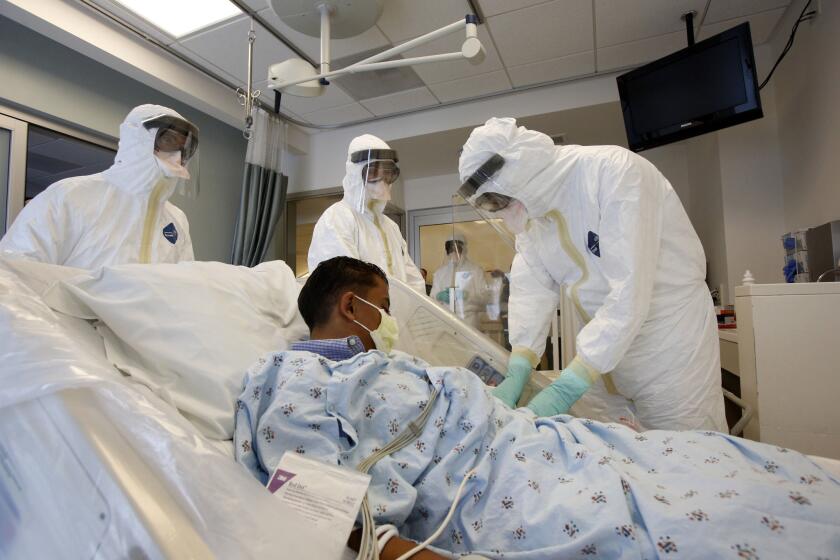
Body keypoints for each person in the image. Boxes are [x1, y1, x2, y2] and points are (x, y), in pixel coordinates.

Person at [234, 257, 840, 559]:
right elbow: (313, 501)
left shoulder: (392, 364)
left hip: (543, 445)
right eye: (383, 306)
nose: (391, 320)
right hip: (500, 489)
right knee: (704, 522)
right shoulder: (294, 376)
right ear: (350, 306)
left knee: (713, 460)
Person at [458, 117, 726, 431]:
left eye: (497, 201)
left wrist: (567, 386)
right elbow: (531, 288)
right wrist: (519, 363)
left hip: (667, 350)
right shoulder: (534, 214)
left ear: (520, 171)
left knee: (687, 457)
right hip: (599, 355)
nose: (500, 212)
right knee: (606, 455)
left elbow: (630, 290)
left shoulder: (614, 173)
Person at [0, 104, 196, 268]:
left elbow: (181, 288)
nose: (177, 157)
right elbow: (14, 273)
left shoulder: (177, 220)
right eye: (169, 140)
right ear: (139, 139)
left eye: (184, 149)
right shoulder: (70, 196)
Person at [307, 134, 426, 294]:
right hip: (361, 318)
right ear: (356, 173)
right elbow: (342, 289)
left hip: (395, 318)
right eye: (373, 173)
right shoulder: (337, 218)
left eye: (387, 174)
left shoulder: (390, 227)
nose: (382, 181)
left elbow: (413, 281)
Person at [430, 233, 488, 329]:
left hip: (469, 323)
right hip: (446, 322)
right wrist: (439, 296)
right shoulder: (440, 273)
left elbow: (484, 297)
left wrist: (468, 296)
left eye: (457, 248)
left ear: (464, 249)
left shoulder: (475, 271)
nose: (454, 252)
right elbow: (432, 298)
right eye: (451, 248)